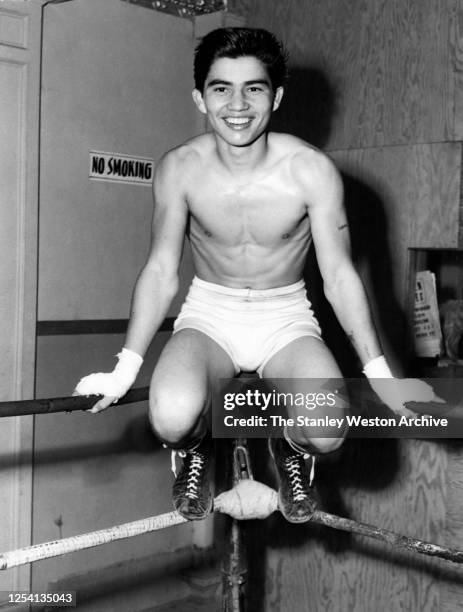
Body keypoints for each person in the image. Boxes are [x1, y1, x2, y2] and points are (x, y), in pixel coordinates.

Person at [74, 28, 440, 524]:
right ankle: (197, 443)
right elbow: (161, 270)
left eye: (255, 87)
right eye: (221, 88)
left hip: (285, 318)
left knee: (329, 428)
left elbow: (339, 276)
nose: (238, 104)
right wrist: (125, 367)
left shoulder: (310, 170)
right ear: (200, 98)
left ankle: (289, 444)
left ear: (277, 95)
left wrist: (381, 376)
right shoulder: (179, 169)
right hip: (209, 316)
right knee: (171, 415)